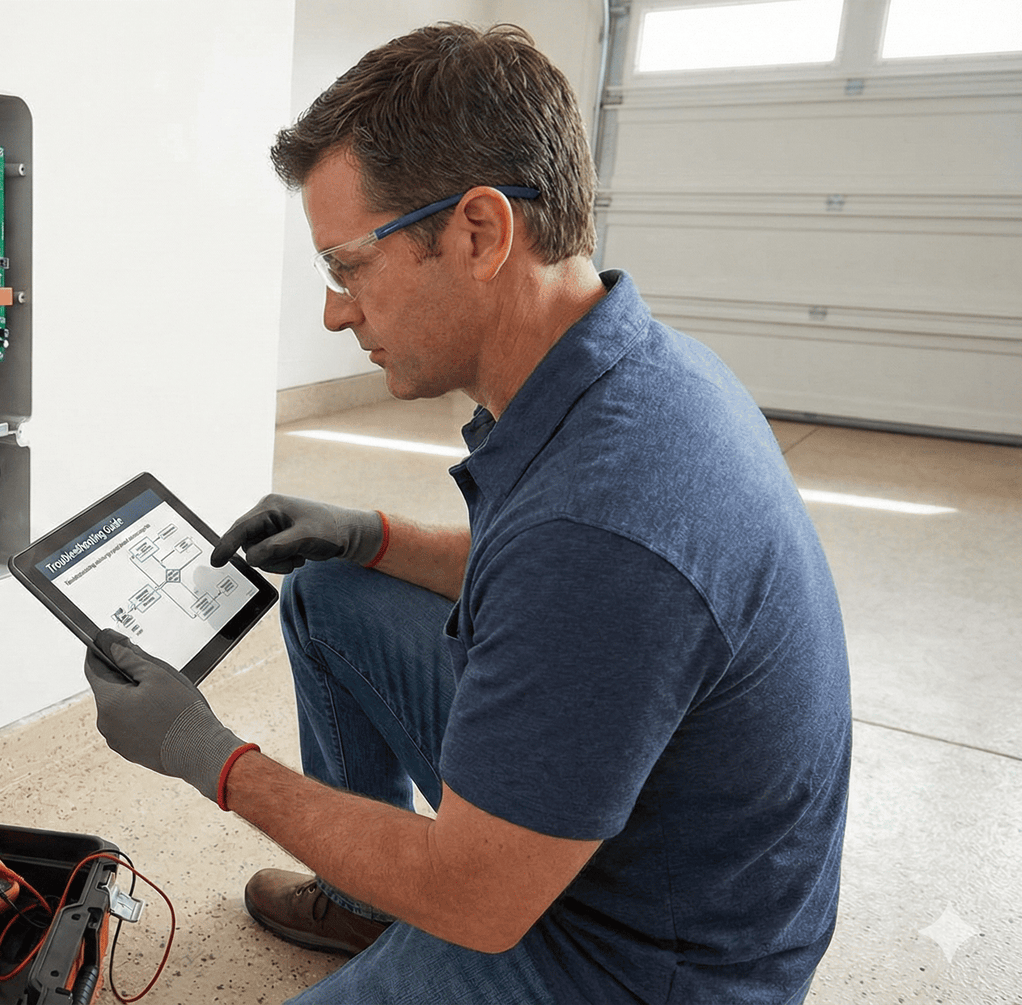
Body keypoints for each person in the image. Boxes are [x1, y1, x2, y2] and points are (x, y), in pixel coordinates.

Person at [81, 23, 851, 1005]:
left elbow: (483, 898)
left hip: (640, 957)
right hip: (623, 835)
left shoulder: (605, 524)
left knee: (456, 902)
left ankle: (397, 892)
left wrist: (207, 755)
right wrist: (370, 536)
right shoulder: (633, 370)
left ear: (480, 233)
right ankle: (365, 896)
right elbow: (540, 585)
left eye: (346, 266)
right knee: (328, 590)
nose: (333, 313)